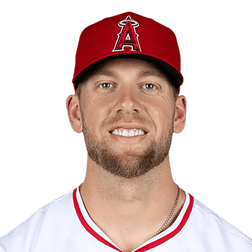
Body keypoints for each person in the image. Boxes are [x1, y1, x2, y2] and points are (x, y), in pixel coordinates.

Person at [0, 9, 251, 252]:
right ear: (76, 113)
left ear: (179, 113)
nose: (128, 103)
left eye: (149, 85)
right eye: (106, 85)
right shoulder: (16, 247)